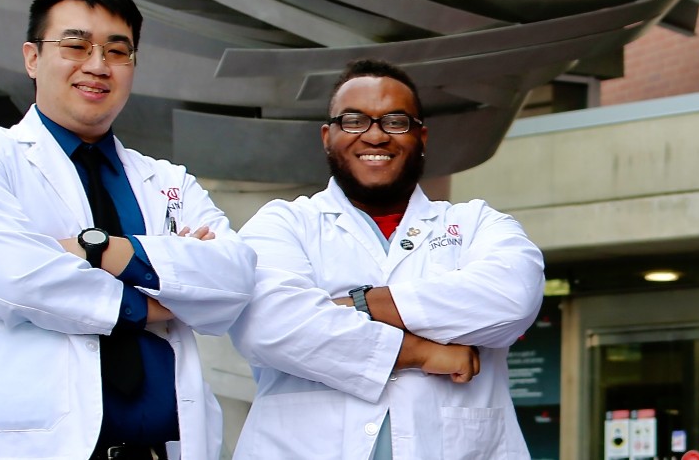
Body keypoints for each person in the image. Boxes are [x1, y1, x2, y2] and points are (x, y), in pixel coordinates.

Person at [0, 0, 256, 460]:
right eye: (76, 46)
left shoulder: (167, 181)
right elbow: (18, 280)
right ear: (32, 58)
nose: (98, 65)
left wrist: (98, 249)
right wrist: (159, 301)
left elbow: (233, 280)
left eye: (118, 51)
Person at [228, 59, 546, 459]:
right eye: (354, 120)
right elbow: (269, 326)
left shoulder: (476, 223)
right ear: (328, 136)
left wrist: (358, 305)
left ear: (422, 136)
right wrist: (423, 351)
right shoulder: (284, 223)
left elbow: (512, 299)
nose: (375, 136)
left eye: (395, 121)